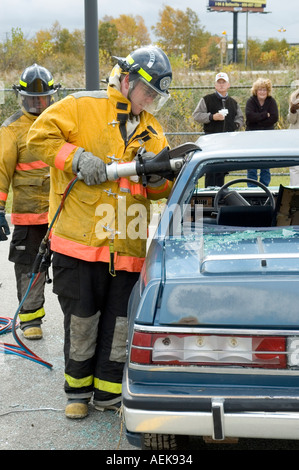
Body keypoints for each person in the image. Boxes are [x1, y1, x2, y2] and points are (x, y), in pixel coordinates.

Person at [26, 46, 173, 419]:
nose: (151, 101)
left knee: (119, 326)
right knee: (83, 321)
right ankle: (77, 392)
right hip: (80, 243)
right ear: (127, 80)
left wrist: (157, 180)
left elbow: (159, 191)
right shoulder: (81, 106)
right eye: (148, 93)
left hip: (126, 244)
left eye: (157, 96)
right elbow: (37, 137)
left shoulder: (152, 131)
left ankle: (108, 394)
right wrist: (77, 158)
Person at [0, 64, 60, 340]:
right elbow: (0, 170)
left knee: (69, 269)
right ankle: (30, 320)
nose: (38, 103)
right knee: (29, 270)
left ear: (51, 97)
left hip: (61, 216)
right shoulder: (11, 130)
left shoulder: (60, 122)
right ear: (21, 98)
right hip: (28, 216)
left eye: (43, 98)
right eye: (32, 99)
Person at [193, 72, 244, 187]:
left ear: (228, 85)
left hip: (227, 141)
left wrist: (235, 126)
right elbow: (196, 115)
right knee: (210, 169)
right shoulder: (206, 99)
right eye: (219, 82)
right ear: (215, 85)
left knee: (222, 170)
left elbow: (240, 118)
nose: (221, 85)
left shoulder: (233, 102)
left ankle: (220, 197)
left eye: (223, 82)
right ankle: (209, 195)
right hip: (211, 139)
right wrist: (212, 117)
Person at [245, 78, 278, 187]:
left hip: (267, 137)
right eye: (260, 89)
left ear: (268, 91)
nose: (262, 92)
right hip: (252, 137)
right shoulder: (250, 101)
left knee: (265, 164)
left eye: (264, 90)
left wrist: (257, 120)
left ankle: (264, 188)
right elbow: (249, 117)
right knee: (252, 164)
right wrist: (264, 115)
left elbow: (274, 118)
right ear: (256, 91)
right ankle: (252, 189)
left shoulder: (271, 102)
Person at [287, 88, 299, 185]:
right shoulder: (294, 97)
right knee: (295, 167)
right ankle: (294, 194)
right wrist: (293, 111)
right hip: (295, 136)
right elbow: (291, 120)